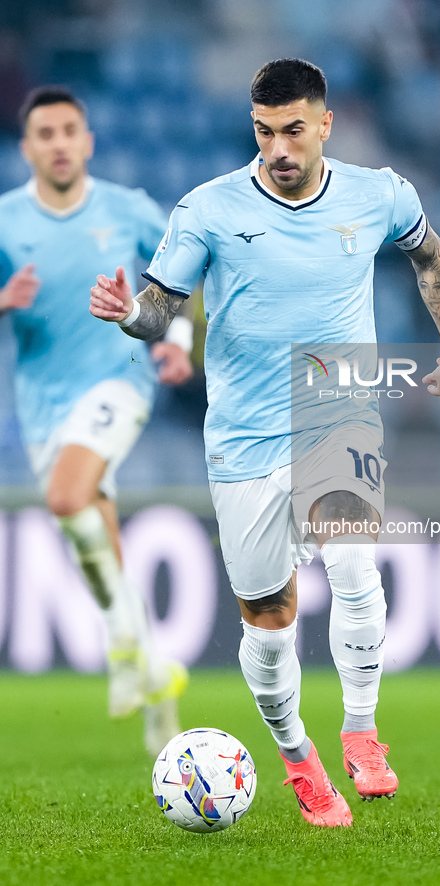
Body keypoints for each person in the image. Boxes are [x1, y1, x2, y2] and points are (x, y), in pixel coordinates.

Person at [90, 59, 440, 825]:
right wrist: (129, 313)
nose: (278, 148)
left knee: (355, 564)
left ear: (324, 124)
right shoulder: (207, 209)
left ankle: (362, 733)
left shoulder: (378, 193)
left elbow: (427, 253)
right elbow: (162, 309)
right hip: (243, 431)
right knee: (268, 616)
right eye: (264, 131)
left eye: (293, 130)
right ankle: (298, 758)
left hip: (336, 402)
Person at [0, 86, 195, 757]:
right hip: (42, 405)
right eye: (44, 134)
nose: (57, 143)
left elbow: (185, 274)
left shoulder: (128, 209)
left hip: (121, 380)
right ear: (27, 148)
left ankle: (119, 645)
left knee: (64, 498)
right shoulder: (5, 222)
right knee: (91, 525)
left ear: (87, 141)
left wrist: (176, 342)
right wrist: (3, 301)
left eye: (68, 131)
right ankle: (155, 677)